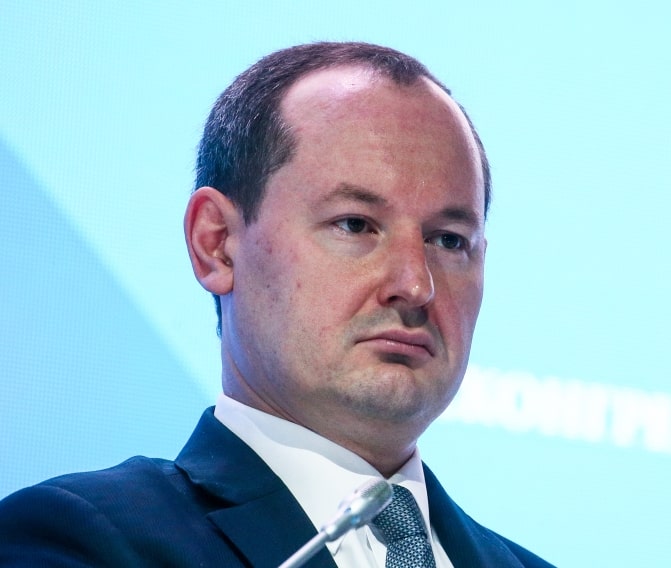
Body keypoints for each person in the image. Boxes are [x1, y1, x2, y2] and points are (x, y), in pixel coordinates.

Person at [0, 42, 555, 568]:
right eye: (355, 225)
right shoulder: (80, 539)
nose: (415, 285)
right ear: (217, 244)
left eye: (449, 241)